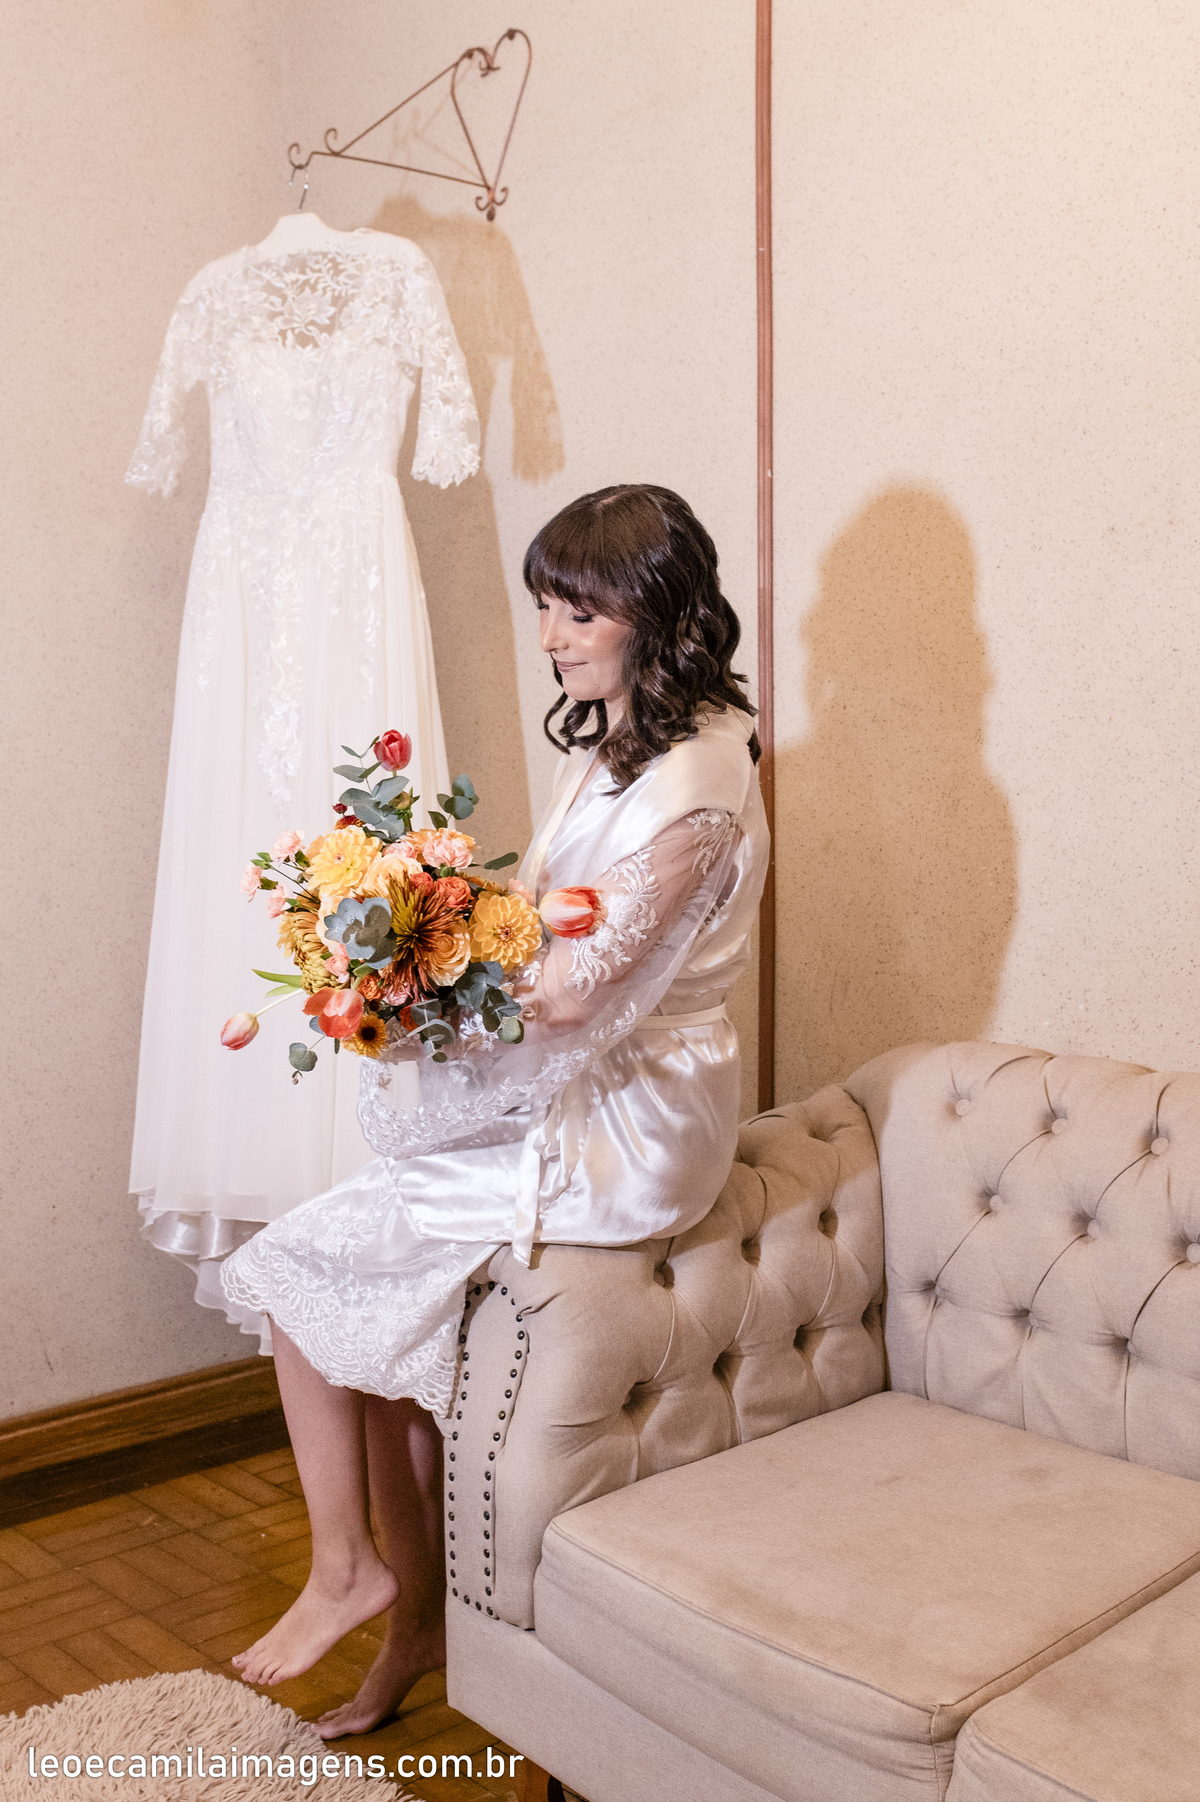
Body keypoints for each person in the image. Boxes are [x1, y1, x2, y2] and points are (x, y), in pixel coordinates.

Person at [219, 483, 769, 1738]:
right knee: (375, 1328)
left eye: (578, 611)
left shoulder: (699, 780)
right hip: (592, 1068)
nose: (552, 637)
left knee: (294, 1274)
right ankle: (418, 1621)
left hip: (641, 1117)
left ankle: (346, 1569)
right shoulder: (626, 738)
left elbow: (571, 990)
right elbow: (547, 934)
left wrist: (418, 984)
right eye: (545, 607)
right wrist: (417, 945)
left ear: (654, 613)